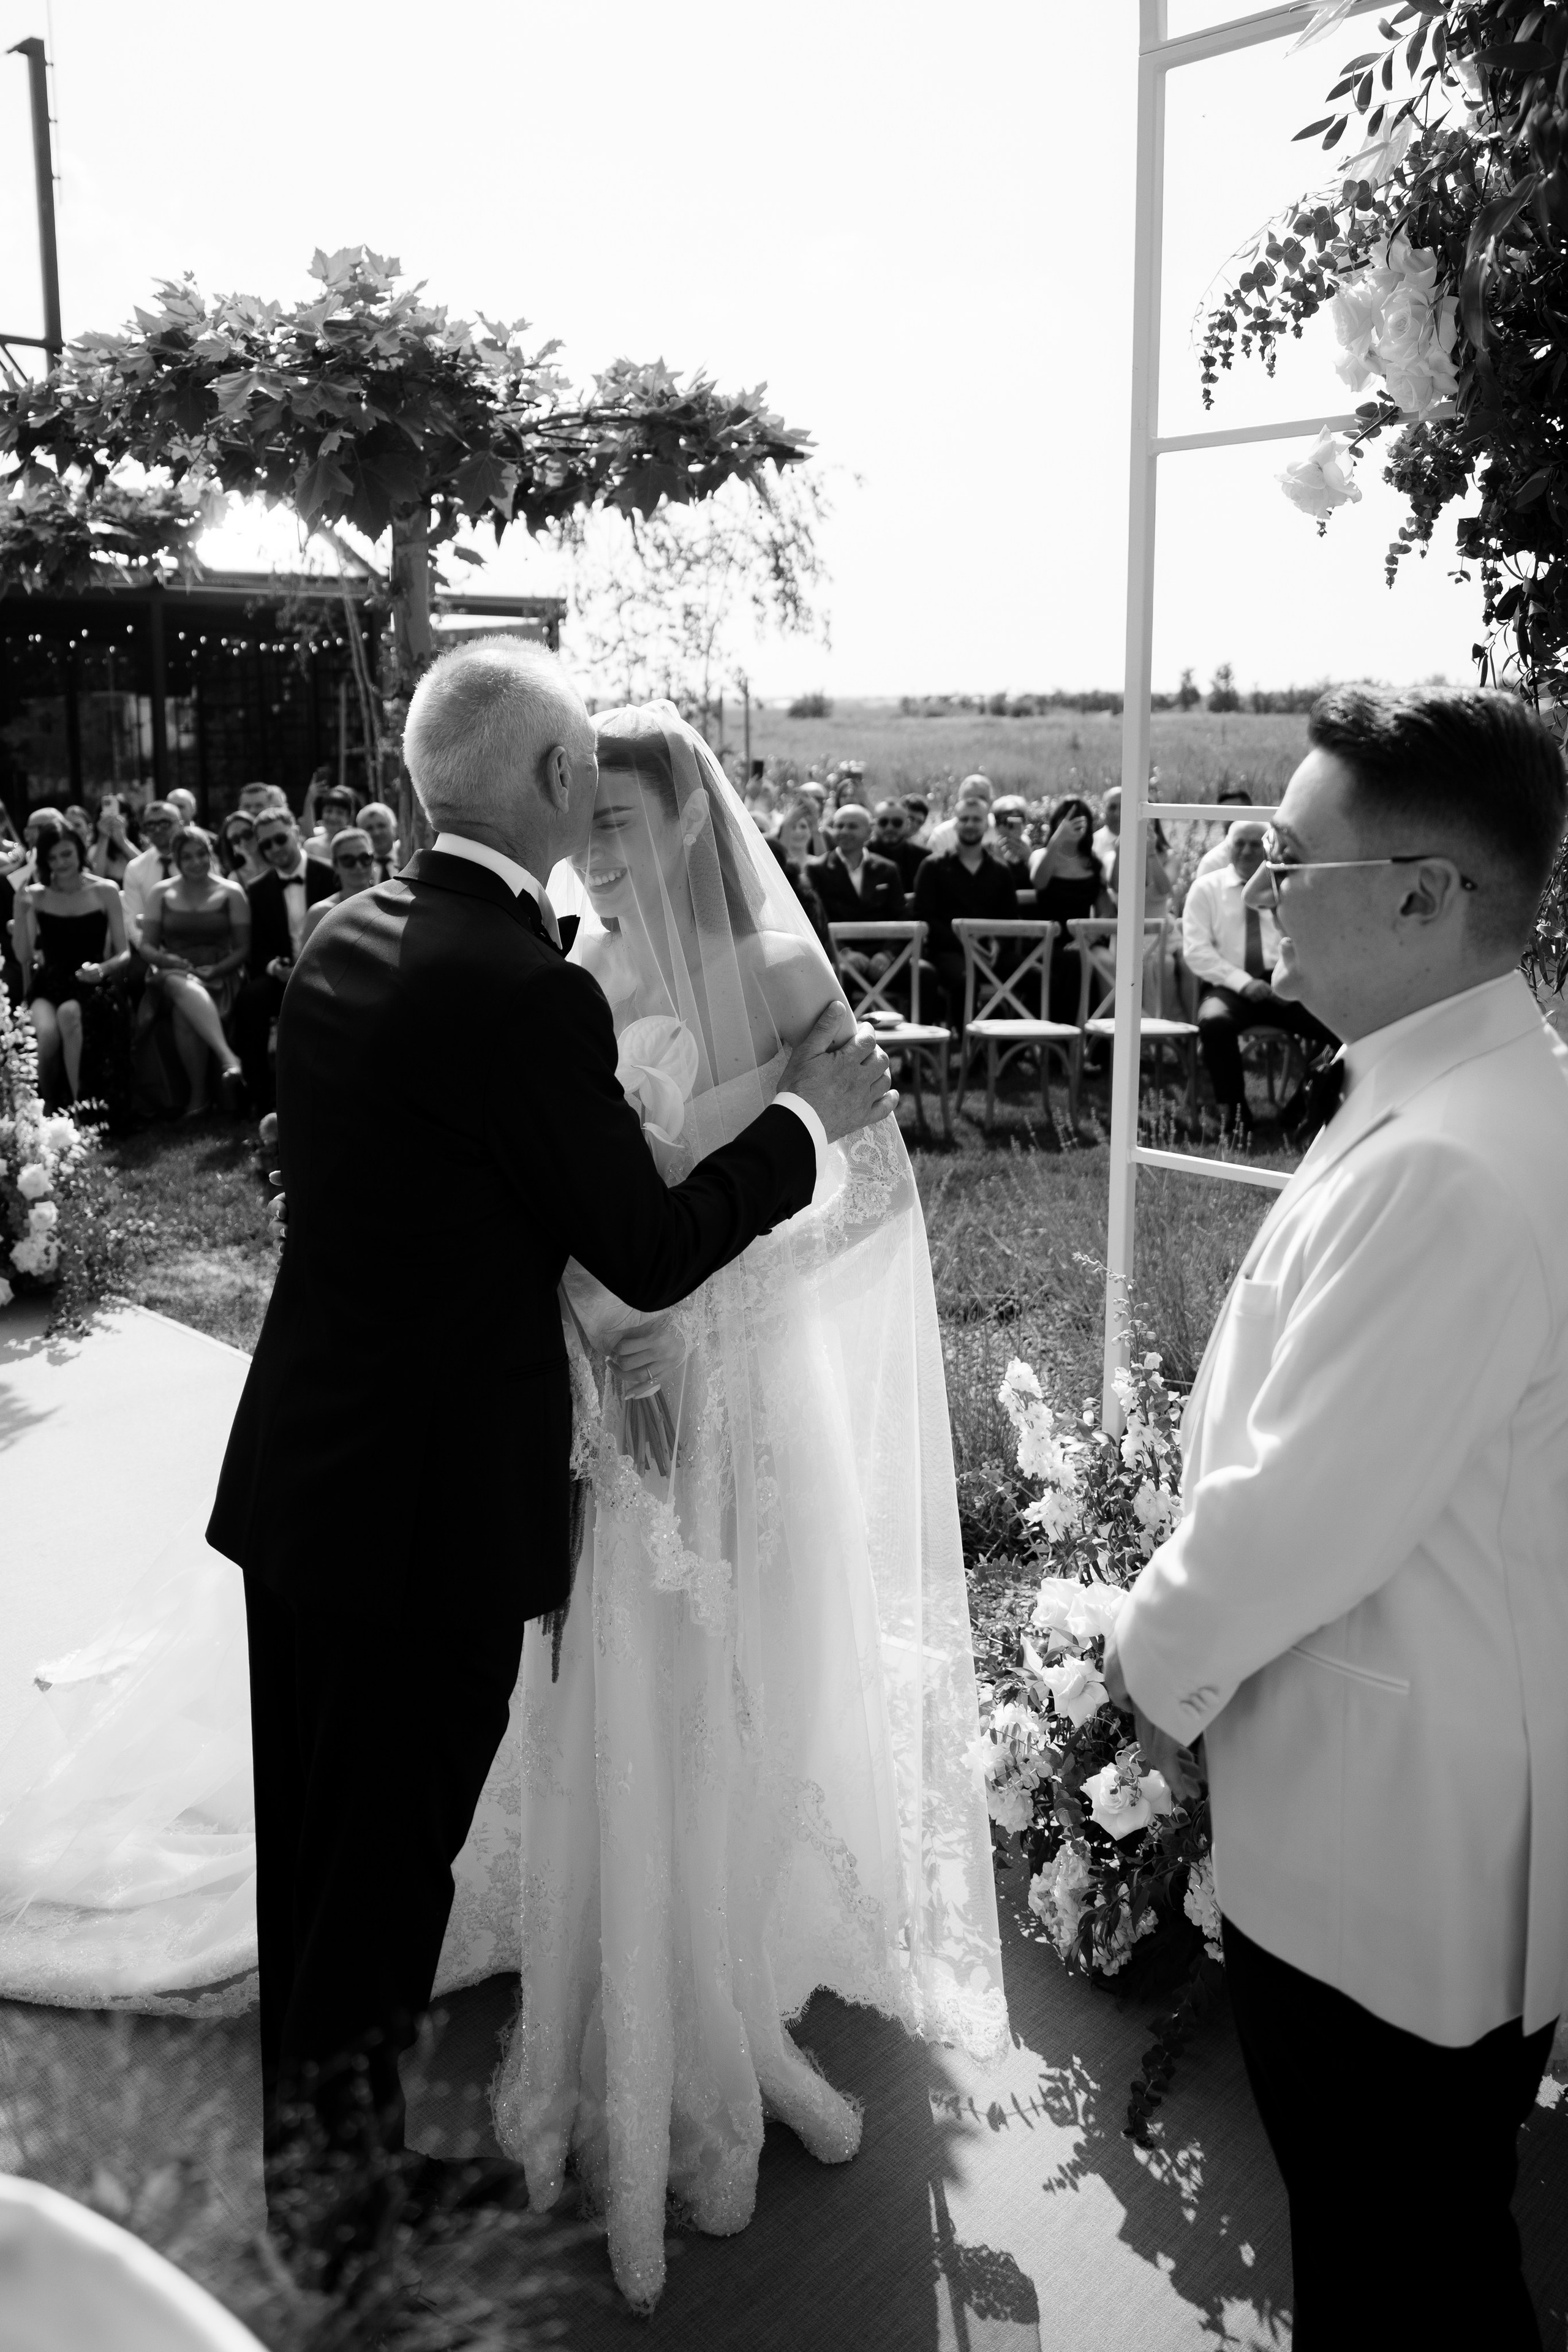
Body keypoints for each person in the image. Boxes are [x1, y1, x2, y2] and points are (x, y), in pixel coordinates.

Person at [206, 640, 919, 2236]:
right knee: (384, 1881)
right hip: (426, 1520)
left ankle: (320, 2175)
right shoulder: (523, 990)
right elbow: (649, 1245)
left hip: (300, 1485)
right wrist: (807, 1128)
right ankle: (343, 2227)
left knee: (316, 1861)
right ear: (544, 784)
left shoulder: (345, 935)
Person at [484, 699, 1004, 2306]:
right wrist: (614, 1338)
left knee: (760, 1699)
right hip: (630, 1417)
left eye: (624, 822)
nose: (595, 849)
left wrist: (730, 1287)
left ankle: (737, 1999)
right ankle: (643, 2059)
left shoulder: (785, 981)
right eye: (588, 821)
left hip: (760, 1400)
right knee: (638, 1715)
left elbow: (856, 1187)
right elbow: (548, 1217)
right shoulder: (567, 984)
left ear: (692, 822)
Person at [1106, 685, 1568, 2351]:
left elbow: (1297, 1518)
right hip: (1426, 1791)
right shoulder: (1478, 1089)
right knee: (1408, 2253)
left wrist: (1141, 1684)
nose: (1254, 887)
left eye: (1286, 858)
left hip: (1390, 1849)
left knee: (1407, 2277)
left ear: (1430, 896)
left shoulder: (1451, 1158)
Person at [1181, 821, 1335, 1136]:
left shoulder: (1291, 887)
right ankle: (1236, 1118)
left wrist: (1288, 979)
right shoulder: (1205, 888)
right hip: (1229, 985)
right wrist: (1243, 983)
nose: (1248, 850)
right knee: (1214, 1023)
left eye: (1256, 844)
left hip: (1284, 983)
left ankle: (1303, 1107)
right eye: (1240, 843)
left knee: (1338, 1024)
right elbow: (1196, 950)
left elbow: (1312, 938)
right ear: (1227, 846)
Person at [14, 822, 132, 1107]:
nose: (60, 863)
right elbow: (24, 955)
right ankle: (46, 1106)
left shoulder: (106, 890)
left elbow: (124, 953)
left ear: (79, 851)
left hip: (91, 982)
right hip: (50, 983)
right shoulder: (36, 895)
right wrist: (20, 909)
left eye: (66, 854)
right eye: (52, 858)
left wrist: (102, 970)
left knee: (69, 1013)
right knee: (46, 1033)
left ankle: (80, 1107)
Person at [139, 826, 249, 1118]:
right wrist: (168, 961)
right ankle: (228, 1057)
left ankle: (198, 1097)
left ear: (210, 854)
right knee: (179, 984)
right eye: (187, 857)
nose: (196, 862)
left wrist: (217, 969)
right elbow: (146, 947)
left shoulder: (231, 892)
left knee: (182, 1013)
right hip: (173, 972)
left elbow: (243, 949)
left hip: (220, 974)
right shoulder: (161, 893)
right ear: (176, 860)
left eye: (202, 854)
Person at [233, 810, 336, 1114]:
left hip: (326, 971)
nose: (275, 848)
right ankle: (259, 1098)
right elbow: (258, 947)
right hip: (284, 975)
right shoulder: (257, 888)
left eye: (281, 839)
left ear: (295, 832)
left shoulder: (329, 874)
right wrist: (274, 968)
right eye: (267, 845)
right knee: (250, 1001)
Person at [913, 790, 1022, 1028]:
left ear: (987, 825)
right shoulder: (932, 867)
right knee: (965, 981)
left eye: (976, 819)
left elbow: (1010, 918)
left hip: (992, 955)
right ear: (955, 824)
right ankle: (968, 1057)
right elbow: (925, 918)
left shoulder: (1001, 872)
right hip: (948, 954)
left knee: (1036, 976)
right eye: (964, 819)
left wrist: (998, 943)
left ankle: (1013, 1054)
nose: (970, 825)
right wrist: (964, 943)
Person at [1029, 795, 1109, 1023]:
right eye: (1067, 821)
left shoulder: (1093, 863)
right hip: (1049, 939)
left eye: (1079, 822)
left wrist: (1091, 938)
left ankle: (1106, 1043)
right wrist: (1057, 841)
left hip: (1084, 938)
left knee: (1109, 963)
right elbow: (1039, 882)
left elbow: (1105, 910)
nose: (1073, 827)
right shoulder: (1042, 855)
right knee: (1074, 962)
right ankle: (1067, 1036)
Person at [121, 802, 182, 953]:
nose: (157, 829)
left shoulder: (198, 861)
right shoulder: (135, 868)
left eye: (164, 823)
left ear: (181, 824)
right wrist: (158, 957)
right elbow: (133, 924)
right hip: (153, 953)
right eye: (150, 825)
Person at [300, 826, 378, 944]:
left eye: (365, 858)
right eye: (348, 860)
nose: (358, 866)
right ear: (335, 865)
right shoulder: (320, 914)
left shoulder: (388, 905)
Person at [1193, 783, 1256, 880]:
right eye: (1226, 814)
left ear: (1252, 812)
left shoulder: (1270, 855)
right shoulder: (1212, 863)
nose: (1231, 819)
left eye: (1237, 812)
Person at [925, 773, 993, 856]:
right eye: (970, 799)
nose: (976, 804)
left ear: (991, 801)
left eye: (982, 798)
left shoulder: (1002, 830)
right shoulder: (943, 835)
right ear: (960, 801)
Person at [872, 799, 927, 890]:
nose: (890, 828)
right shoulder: (861, 855)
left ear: (908, 824)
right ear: (874, 824)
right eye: (883, 822)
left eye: (897, 823)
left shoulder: (923, 857)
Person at [88, 794, 138, 887]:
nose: (115, 818)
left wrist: (123, 843)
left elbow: (147, 870)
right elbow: (94, 881)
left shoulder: (143, 845)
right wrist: (104, 838)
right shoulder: (95, 850)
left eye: (121, 813)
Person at [303, 785, 356, 863]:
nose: (333, 817)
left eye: (340, 813)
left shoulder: (357, 847)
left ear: (349, 818)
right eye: (329, 811)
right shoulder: (310, 846)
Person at [217, 811, 267, 887]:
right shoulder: (235, 878)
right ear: (231, 847)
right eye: (235, 839)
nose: (243, 842)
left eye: (247, 834)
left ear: (258, 832)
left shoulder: (276, 861)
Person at [355, 800, 399, 880]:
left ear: (393, 828)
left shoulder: (409, 858)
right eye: (369, 828)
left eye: (381, 826)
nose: (376, 833)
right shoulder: (357, 866)